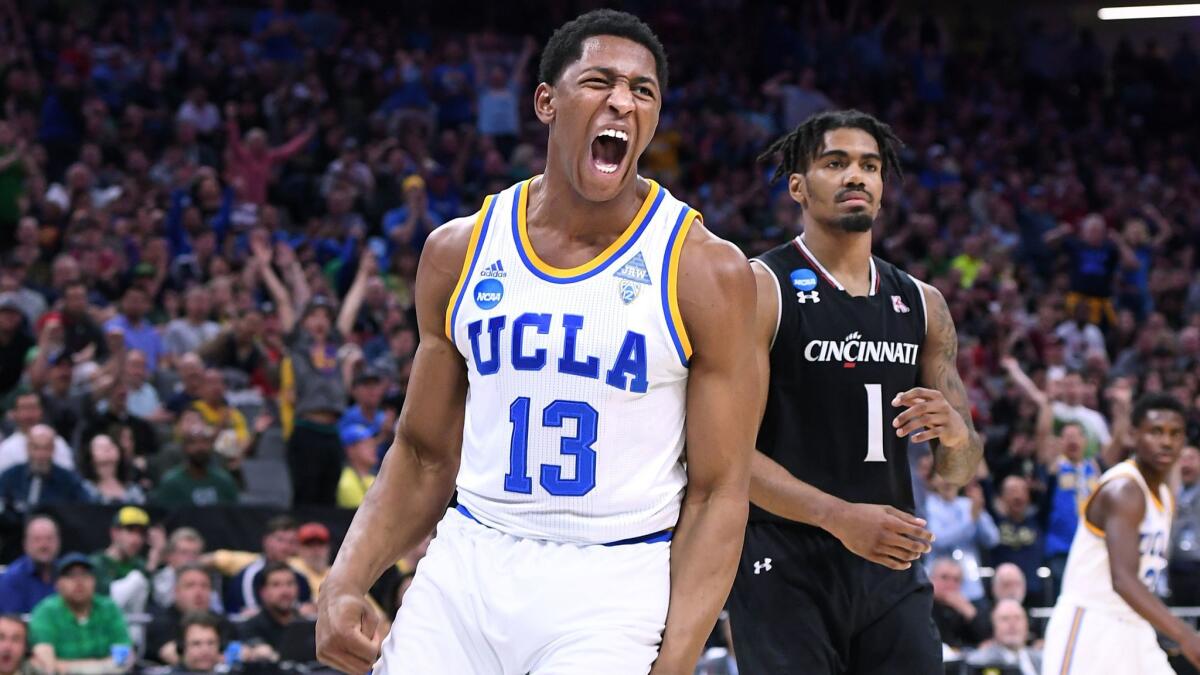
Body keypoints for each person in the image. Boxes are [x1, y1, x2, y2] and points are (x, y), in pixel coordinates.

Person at [316, 10, 758, 675]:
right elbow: (423, 451)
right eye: (600, 81)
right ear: (546, 101)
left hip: (614, 575)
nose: (622, 101)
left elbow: (719, 491)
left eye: (643, 91)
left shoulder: (706, 269)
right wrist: (346, 577)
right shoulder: (458, 251)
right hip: (471, 554)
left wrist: (677, 660)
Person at [727, 108, 982, 674]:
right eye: (835, 163)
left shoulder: (923, 303)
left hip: (888, 557)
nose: (856, 176)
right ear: (798, 185)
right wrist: (839, 517)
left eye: (869, 166)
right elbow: (721, 455)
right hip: (783, 556)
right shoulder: (758, 288)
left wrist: (955, 430)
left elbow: (960, 469)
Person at [1042, 394, 1200, 673]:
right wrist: (1184, 634)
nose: (1166, 442)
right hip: (1092, 623)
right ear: (1132, 434)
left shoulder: (1163, 493)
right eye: (1156, 432)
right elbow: (1123, 579)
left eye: (1175, 434)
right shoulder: (1123, 490)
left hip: (1134, 626)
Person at [28, 553, 132, 673]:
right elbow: (45, 665)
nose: (79, 581)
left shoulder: (109, 608)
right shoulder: (46, 611)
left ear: (94, 581)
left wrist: (68, 668)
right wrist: (103, 667)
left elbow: (123, 659)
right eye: (70, 576)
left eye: (85, 575)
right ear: (58, 584)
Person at [211, 515, 312, 616]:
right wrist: (297, 612)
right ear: (266, 541)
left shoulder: (300, 576)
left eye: (292, 541)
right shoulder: (250, 576)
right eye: (280, 540)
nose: (286, 547)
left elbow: (308, 611)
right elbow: (252, 616)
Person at [145, 563, 230, 666]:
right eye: (190, 586)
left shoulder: (222, 622)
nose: (199, 593)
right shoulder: (161, 623)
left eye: (204, 586)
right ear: (176, 591)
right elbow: (170, 655)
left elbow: (238, 653)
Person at [0, 424, 89, 511]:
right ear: (27, 448)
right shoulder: (10, 477)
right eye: (36, 448)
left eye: (46, 448)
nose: (41, 455)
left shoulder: (68, 480)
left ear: (53, 449)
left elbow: (84, 507)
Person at [149, 424, 239, 507]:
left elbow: (235, 516)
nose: (200, 447)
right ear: (184, 447)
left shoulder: (224, 481)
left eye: (205, 442)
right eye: (193, 443)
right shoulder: (171, 483)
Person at [238, 562, 309, 659]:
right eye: (276, 585)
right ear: (263, 592)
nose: (285, 591)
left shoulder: (308, 626)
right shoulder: (250, 628)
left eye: (290, 584)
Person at [0, 516, 60, 614]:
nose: (44, 545)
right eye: (37, 539)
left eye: (49, 539)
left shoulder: (67, 574)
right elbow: (11, 623)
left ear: (58, 541)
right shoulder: (11, 578)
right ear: (25, 544)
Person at [930, 556, 992, 651]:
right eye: (944, 577)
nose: (950, 584)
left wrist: (968, 610)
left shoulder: (966, 608)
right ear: (931, 579)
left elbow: (988, 638)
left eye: (956, 580)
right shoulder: (922, 606)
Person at [964, 599, 1041, 675]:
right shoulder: (977, 662)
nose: (1012, 625)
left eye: (1018, 618)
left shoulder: (1042, 659)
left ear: (1027, 625)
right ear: (993, 626)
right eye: (1005, 619)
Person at [1170, 445, 1200, 605]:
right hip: (1176, 565)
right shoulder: (1175, 492)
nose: (1185, 463)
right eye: (1182, 459)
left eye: (1191, 458)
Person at [336, 424, 378, 508]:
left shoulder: (373, 478)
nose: (373, 447)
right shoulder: (346, 482)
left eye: (373, 443)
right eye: (366, 443)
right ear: (350, 450)